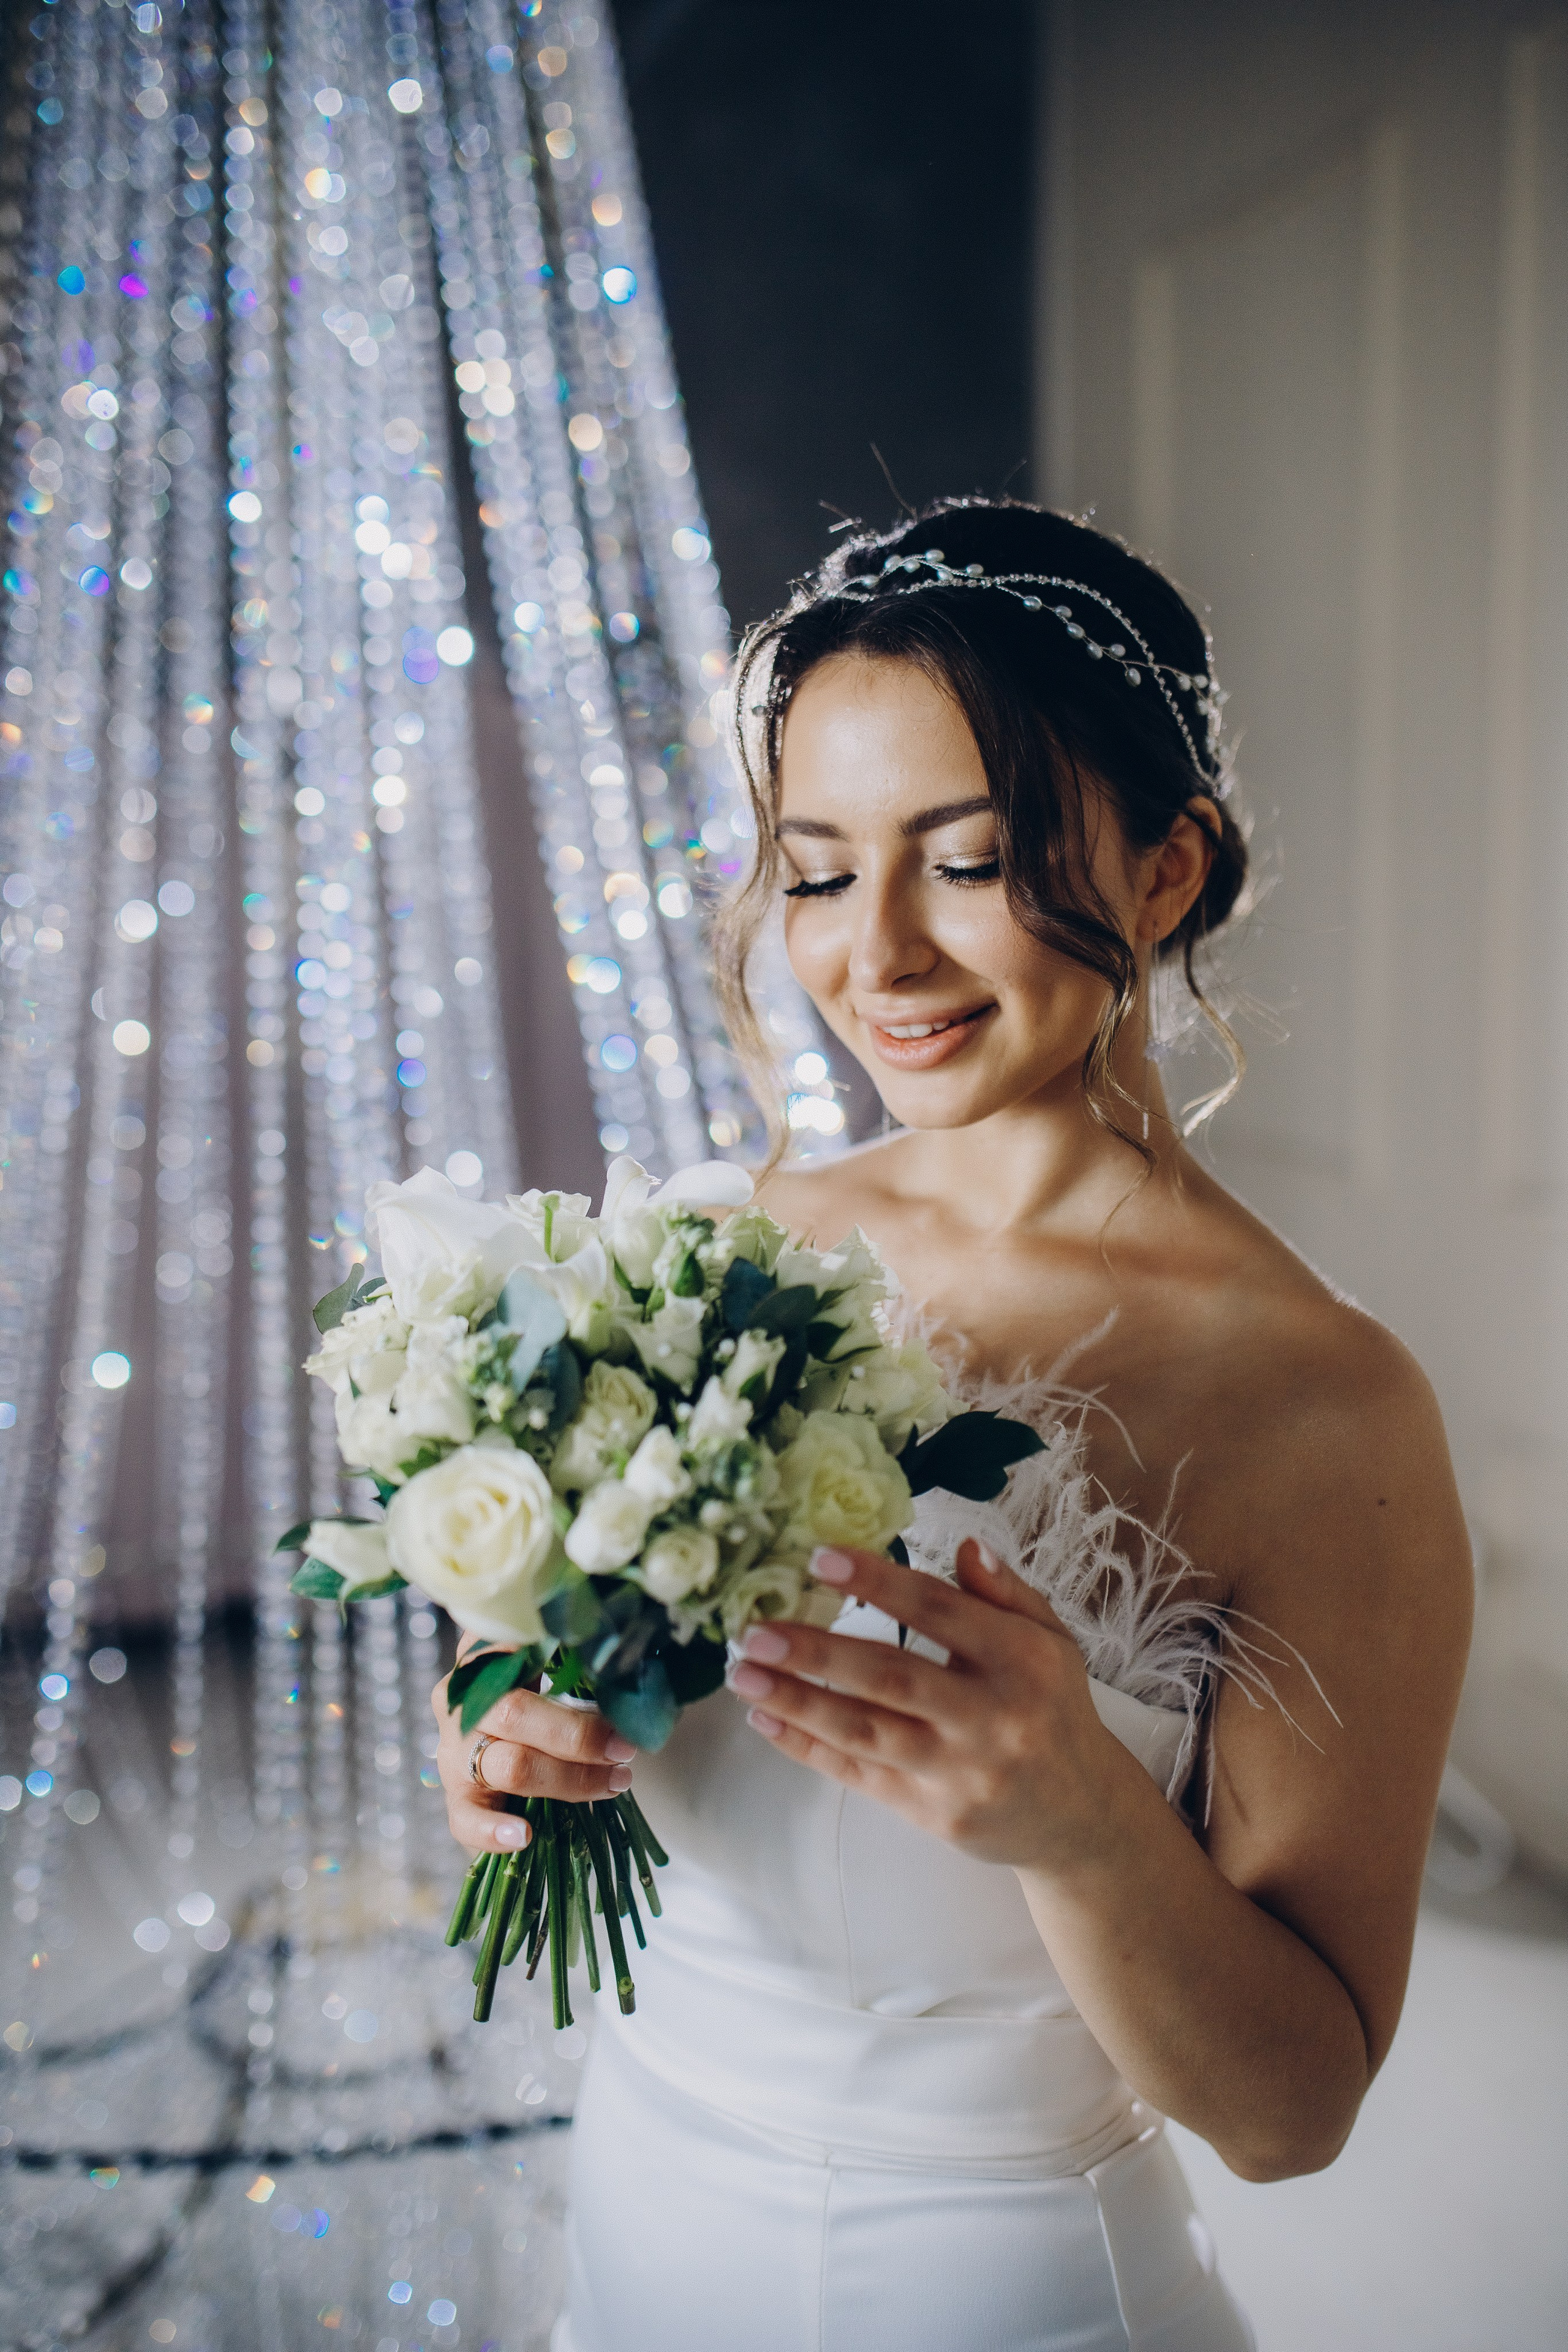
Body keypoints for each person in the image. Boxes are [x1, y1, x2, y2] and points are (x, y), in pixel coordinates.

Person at [432, 500, 1472, 2350]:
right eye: (818, 873)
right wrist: (510, 1727)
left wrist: (1078, 1819)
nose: (879, 956)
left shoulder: (1325, 1409)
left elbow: (1292, 2115)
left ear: (1169, 871)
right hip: (641, 2210)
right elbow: (558, 1674)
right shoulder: (717, 1253)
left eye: (972, 858)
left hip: (999, 2290)